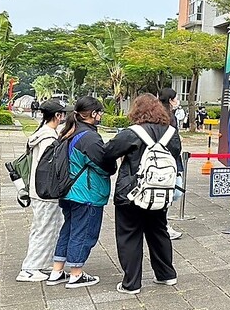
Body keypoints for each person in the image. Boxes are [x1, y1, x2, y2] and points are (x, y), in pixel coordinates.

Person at [104, 93, 180, 294]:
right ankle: (166, 274)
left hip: (131, 193)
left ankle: (132, 283)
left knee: (129, 235)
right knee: (158, 231)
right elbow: (176, 157)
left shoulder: (131, 133)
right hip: (160, 192)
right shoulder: (171, 132)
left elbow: (108, 152)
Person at [46, 96, 117, 289]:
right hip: (86, 193)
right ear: (93, 114)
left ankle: (57, 270)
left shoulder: (69, 131)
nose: (101, 115)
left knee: (68, 230)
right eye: (100, 112)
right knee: (84, 232)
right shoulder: (90, 138)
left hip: (68, 191)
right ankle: (76, 274)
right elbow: (105, 166)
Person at [15, 98, 68, 282]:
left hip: (37, 189)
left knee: (43, 228)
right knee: (44, 229)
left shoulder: (41, 134)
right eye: (62, 114)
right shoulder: (49, 138)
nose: (64, 118)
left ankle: (41, 264)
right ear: (57, 116)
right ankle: (29, 268)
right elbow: (50, 168)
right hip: (45, 191)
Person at [157, 88, 184, 240]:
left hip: (168, 160)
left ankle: (162, 223)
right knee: (172, 191)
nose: (177, 101)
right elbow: (174, 145)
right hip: (168, 161)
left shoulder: (169, 115)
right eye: (176, 98)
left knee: (173, 192)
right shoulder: (167, 117)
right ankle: (162, 225)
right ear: (170, 100)